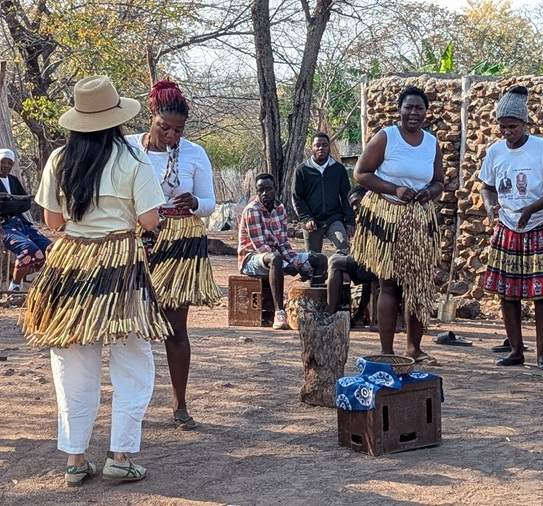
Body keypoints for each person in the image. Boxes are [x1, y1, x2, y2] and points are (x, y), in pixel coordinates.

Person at [22, 75, 170, 486]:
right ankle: (119, 456)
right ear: (116, 119)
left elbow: (53, 221)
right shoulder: (134, 159)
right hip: (121, 266)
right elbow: (150, 220)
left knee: (71, 361)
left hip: (70, 266)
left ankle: (75, 459)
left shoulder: (59, 159)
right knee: (133, 359)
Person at [125, 78, 219, 432]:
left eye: (178, 130)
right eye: (165, 127)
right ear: (151, 117)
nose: (172, 135)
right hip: (138, 239)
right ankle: (131, 406)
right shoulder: (128, 147)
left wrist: (194, 202)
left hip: (181, 245)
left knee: (176, 327)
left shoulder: (195, 153)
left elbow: (209, 204)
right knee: (131, 326)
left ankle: (180, 404)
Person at [352, 86, 444, 366]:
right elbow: (361, 173)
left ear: (426, 112)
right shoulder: (386, 137)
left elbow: (439, 181)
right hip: (388, 214)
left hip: (419, 218)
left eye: (419, 108)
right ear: (400, 109)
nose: (414, 113)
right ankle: (387, 350)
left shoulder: (432, 143)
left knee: (418, 284)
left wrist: (429, 192)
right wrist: (395, 189)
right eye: (409, 107)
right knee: (389, 283)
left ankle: (414, 349)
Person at [479, 86, 543, 370]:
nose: (507, 132)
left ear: (525, 123)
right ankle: (516, 350)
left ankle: (542, 354)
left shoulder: (542, 148)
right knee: (508, 292)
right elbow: (487, 186)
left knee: (542, 293)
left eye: (512, 126)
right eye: (502, 127)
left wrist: (532, 208)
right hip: (508, 226)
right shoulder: (495, 151)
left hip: (539, 225)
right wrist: (489, 204)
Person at [238, 173, 327, 329]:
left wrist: (297, 263)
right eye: (261, 190)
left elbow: (284, 243)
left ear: (275, 189)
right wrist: (286, 265)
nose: (265, 193)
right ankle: (279, 313)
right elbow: (260, 246)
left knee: (319, 259)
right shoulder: (252, 210)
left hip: (276, 257)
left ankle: (315, 308)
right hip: (251, 259)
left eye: (268, 189)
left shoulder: (280, 208)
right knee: (275, 258)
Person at [293, 132, 355, 254]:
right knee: (313, 258)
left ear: (329, 147)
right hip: (312, 221)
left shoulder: (338, 169)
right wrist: (306, 219)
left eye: (324, 145)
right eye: (317, 145)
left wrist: (349, 221)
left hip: (334, 218)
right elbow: (297, 198)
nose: (321, 148)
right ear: (312, 148)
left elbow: (346, 196)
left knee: (343, 246)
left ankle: (338, 266)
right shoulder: (302, 171)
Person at [0, 148, 52, 291]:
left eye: (9, 163)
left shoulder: (13, 180)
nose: (6, 166)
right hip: (4, 226)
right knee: (28, 249)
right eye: (3, 162)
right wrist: (15, 204)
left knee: (50, 248)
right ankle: (15, 286)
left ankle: (41, 285)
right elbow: (5, 208)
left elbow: (26, 203)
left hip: (21, 223)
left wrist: (10, 204)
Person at [326, 185, 376, 323]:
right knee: (345, 262)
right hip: (373, 265)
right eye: (352, 205)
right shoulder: (367, 218)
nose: (354, 208)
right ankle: (359, 315)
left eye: (356, 202)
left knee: (334, 262)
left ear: (367, 199)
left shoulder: (375, 218)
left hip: (377, 265)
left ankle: (329, 314)